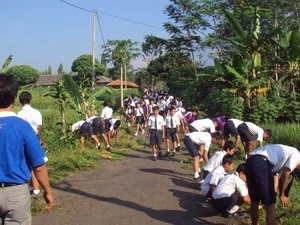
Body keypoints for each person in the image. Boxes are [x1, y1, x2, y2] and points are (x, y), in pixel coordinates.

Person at [0, 74, 54, 224]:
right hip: (16, 193)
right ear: (14, 97)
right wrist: (47, 191)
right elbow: (38, 166)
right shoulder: (22, 127)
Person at [245, 144, 300, 225]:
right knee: (270, 205)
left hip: (250, 161)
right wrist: (282, 195)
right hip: (261, 162)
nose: (298, 168)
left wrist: (273, 194)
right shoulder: (297, 155)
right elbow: (284, 176)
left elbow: (276, 177)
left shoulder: (282, 158)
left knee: (254, 200)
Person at [17, 91, 43, 197]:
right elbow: (39, 127)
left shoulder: (19, 114)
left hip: (24, 139)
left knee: (28, 164)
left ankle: (35, 188)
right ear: (30, 100)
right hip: (35, 137)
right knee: (36, 163)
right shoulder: (37, 112)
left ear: (20, 101)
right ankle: (35, 187)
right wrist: (40, 140)